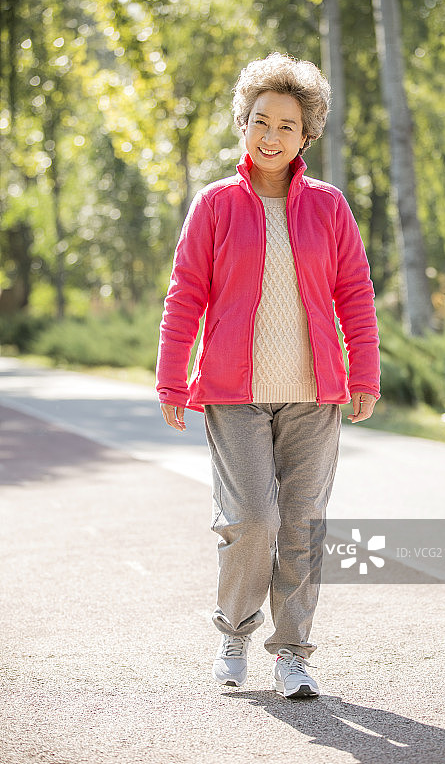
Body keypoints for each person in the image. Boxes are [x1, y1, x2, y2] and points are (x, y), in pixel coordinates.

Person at [156, 52, 380, 699]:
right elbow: (185, 295)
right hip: (235, 395)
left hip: (315, 395)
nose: (272, 135)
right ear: (242, 124)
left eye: (286, 124)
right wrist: (173, 381)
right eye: (260, 121)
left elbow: (355, 296)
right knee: (253, 519)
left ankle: (292, 653)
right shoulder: (216, 205)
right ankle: (234, 628)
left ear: (306, 133)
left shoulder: (330, 208)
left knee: (303, 525)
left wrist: (361, 375)